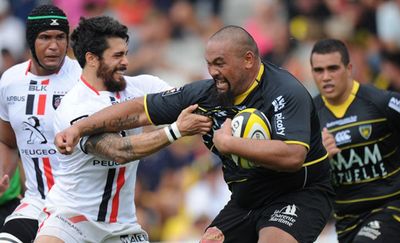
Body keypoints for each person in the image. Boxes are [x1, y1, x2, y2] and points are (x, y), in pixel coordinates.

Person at [55, 25, 334, 243]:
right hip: (247, 199)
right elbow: (139, 109)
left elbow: (293, 156)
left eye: (220, 63)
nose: (212, 72)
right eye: (209, 63)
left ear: (248, 59)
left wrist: (230, 143)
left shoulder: (285, 91)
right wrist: (80, 127)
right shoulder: (208, 94)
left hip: (299, 193)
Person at [34, 16, 211, 243]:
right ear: (91, 59)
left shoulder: (144, 86)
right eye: (117, 56)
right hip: (72, 219)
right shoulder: (73, 106)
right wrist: (175, 131)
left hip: (123, 226)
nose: (126, 62)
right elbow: (118, 151)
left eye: (126, 53)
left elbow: (191, 105)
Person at [310, 38, 400, 243]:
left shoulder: (381, 102)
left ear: (349, 68)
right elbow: (302, 174)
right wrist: (318, 156)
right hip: (346, 220)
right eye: (318, 70)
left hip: (392, 208)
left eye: (333, 68)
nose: (326, 77)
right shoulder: (309, 116)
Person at [0, 4, 81, 243]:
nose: (54, 46)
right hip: (35, 202)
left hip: (79, 207)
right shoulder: (10, 81)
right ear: (30, 40)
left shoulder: (84, 77)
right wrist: (3, 175)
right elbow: (7, 141)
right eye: (45, 37)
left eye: (60, 37)